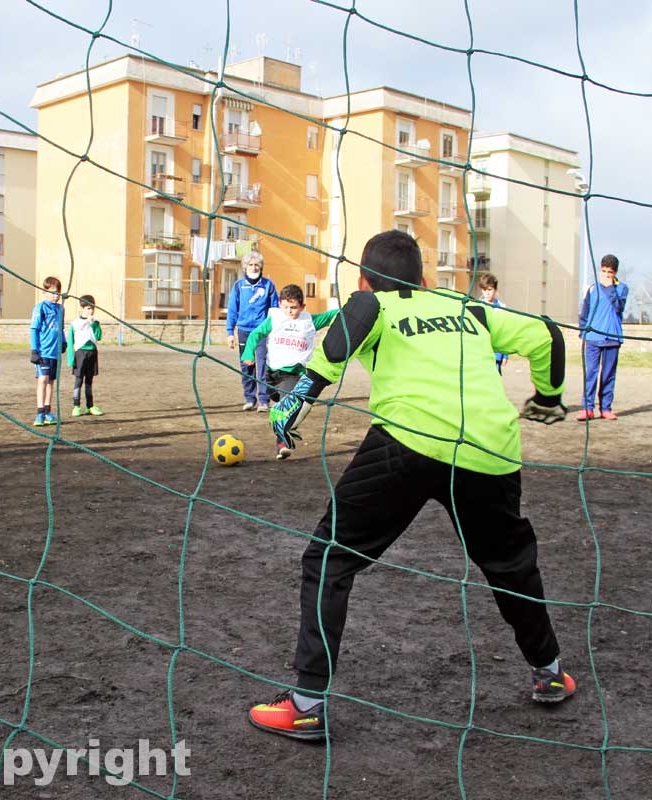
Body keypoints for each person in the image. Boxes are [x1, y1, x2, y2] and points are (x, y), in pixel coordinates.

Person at [248, 230, 573, 741]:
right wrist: (549, 397)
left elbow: (356, 316)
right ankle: (550, 673)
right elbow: (547, 334)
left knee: (328, 559)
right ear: (424, 280)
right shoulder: (470, 309)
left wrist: (298, 397)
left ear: (364, 279)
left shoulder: (373, 304)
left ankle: (306, 706)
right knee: (509, 566)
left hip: (407, 443)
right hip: (488, 449)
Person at [240, 283, 338, 459]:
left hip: (293, 375)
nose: (289, 311)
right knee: (277, 399)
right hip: (271, 374)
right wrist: (248, 353)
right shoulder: (275, 318)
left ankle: (283, 444)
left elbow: (332, 315)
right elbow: (256, 334)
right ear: (280, 304)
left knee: (285, 409)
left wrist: (351, 309)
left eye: (294, 308)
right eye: (285, 307)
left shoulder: (309, 321)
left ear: (302, 306)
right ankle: (281, 402)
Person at [226, 251, 279, 412]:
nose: (254, 267)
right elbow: (232, 311)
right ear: (245, 266)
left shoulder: (269, 285)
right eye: (251, 264)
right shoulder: (238, 286)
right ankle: (250, 398)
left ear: (261, 266)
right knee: (247, 366)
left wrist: (273, 329)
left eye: (257, 264)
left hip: (262, 332)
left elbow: (274, 309)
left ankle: (264, 400)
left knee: (263, 365)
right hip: (244, 331)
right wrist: (230, 333)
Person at [578, 254, 628, 420]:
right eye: (604, 271)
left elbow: (619, 307)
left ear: (615, 273)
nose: (606, 275)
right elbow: (584, 313)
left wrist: (609, 288)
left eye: (610, 272)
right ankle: (588, 408)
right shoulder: (592, 289)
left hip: (612, 337)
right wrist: (583, 332)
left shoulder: (622, 288)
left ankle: (605, 407)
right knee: (590, 372)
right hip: (592, 338)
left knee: (608, 374)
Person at [30, 276, 65, 426]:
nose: (55, 296)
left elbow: (61, 328)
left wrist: (64, 341)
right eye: (52, 292)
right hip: (43, 351)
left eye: (57, 293)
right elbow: (34, 329)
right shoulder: (40, 308)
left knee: (51, 381)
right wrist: (34, 350)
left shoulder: (60, 308)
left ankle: (47, 410)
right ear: (45, 292)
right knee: (42, 380)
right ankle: (39, 413)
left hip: (54, 352)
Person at [67, 294, 104, 417]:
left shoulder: (95, 323)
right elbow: (71, 341)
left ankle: (90, 406)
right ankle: (76, 406)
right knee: (78, 380)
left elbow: (98, 337)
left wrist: (93, 324)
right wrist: (71, 358)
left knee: (89, 381)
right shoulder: (75, 323)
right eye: (88, 308)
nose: (91, 310)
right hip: (80, 353)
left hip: (92, 353)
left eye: (92, 308)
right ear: (82, 308)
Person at [477, 272, 508, 374]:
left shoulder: (502, 308)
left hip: (496, 353)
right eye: (484, 290)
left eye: (490, 289)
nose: (487, 293)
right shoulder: (476, 306)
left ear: (495, 289)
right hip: (480, 352)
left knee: (495, 381)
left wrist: (505, 354)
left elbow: (505, 331)